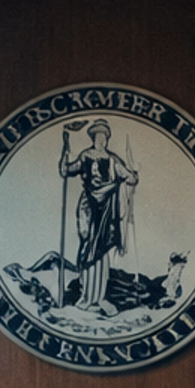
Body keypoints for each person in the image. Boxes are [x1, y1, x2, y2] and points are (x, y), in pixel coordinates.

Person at [59, 120, 138, 312]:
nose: (103, 140)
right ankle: (86, 295)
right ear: (93, 137)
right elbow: (66, 170)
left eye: (105, 136)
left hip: (106, 207)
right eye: (99, 136)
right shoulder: (85, 156)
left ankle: (99, 297)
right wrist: (65, 151)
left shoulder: (112, 159)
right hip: (88, 204)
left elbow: (128, 176)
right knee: (87, 242)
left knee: (101, 248)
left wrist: (133, 175)